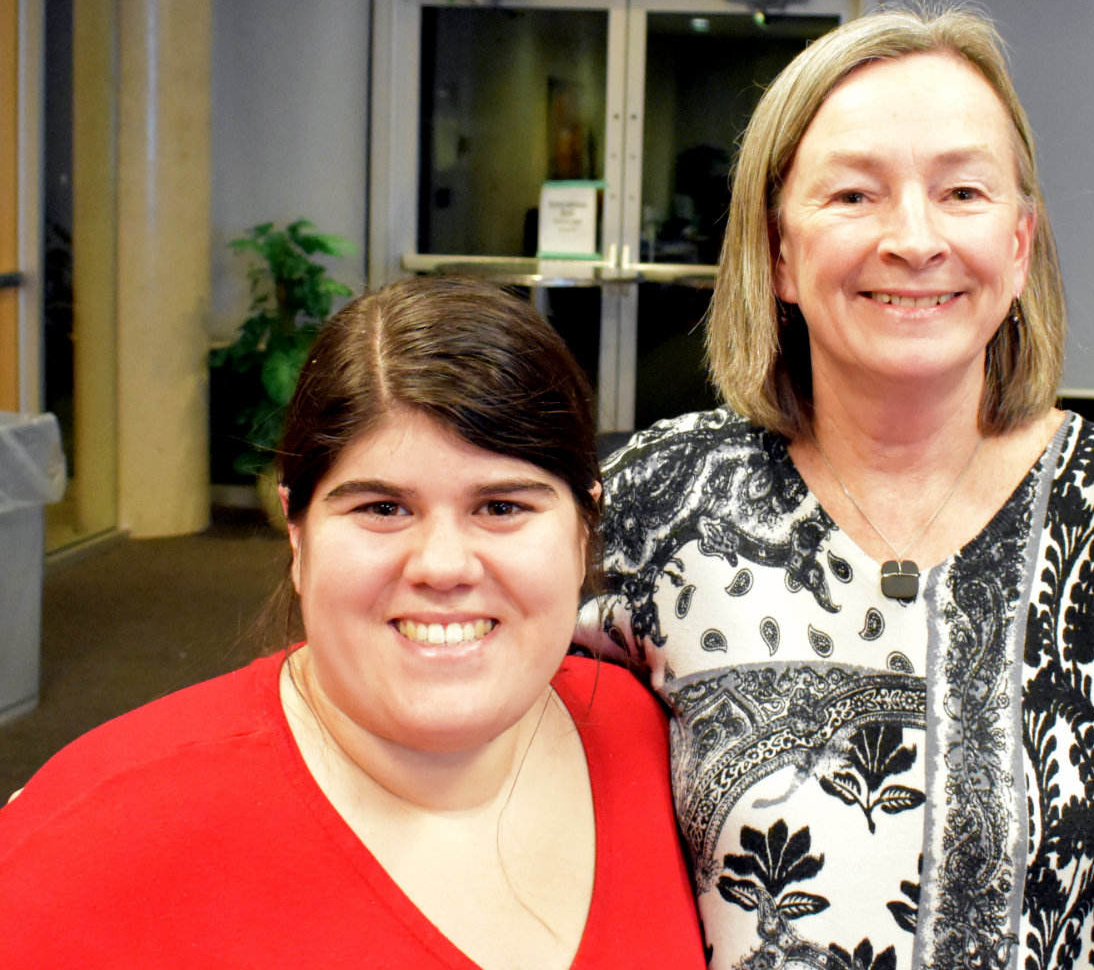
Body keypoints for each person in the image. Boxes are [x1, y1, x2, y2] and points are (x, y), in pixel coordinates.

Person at [577, 2, 1094, 969]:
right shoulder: (656, 500)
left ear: (1017, 243)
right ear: (779, 253)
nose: (913, 239)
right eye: (852, 196)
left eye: (962, 192)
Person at [0, 277, 705, 969]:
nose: (442, 565)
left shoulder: (675, 748)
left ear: (581, 532)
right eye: (382, 508)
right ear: (298, 535)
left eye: (501, 507)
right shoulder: (100, 836)